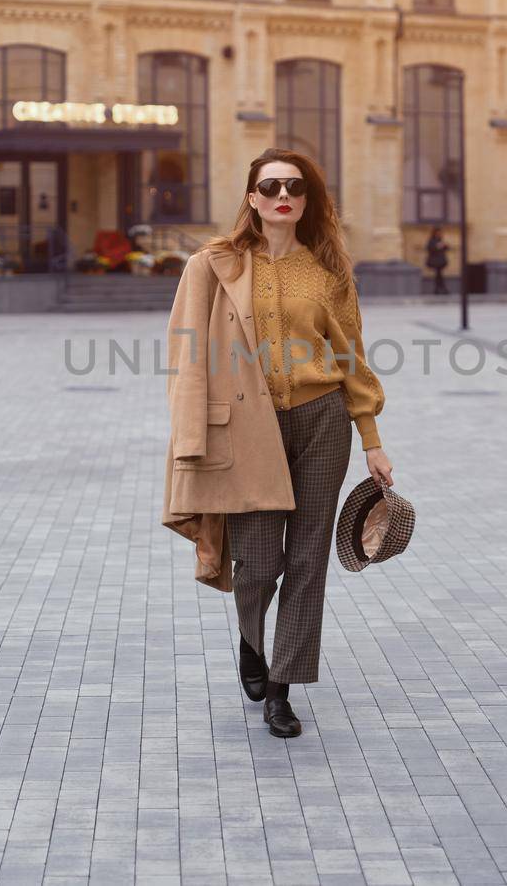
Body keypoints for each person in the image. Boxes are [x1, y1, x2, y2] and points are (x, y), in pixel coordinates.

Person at [162, 147, 393, 740]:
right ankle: (250, 641)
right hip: (248, 427)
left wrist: (370, 437)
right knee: (259, 563)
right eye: (269, 187)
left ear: (308, 199)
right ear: (251, 198)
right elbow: (187, 355)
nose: (281, 196)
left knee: (307, 559)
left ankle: (282, 688)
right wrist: (190, 437)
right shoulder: (213, 266)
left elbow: (351, 358)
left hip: (321, 421)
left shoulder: (329, 273)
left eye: (294, 187)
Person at [425, 226, 450, 295]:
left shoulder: (440, 240)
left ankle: (440, 289)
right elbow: (430, 248)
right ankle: (440, 289)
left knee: (439, 275)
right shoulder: (431, 240)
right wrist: (437, 246)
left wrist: (444, 245)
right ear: (435, 233)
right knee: (438, 275)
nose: (439, 234)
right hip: (435, 261)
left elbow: (446, 247)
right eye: (438, 232)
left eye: (440, 232)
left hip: (441, 261)